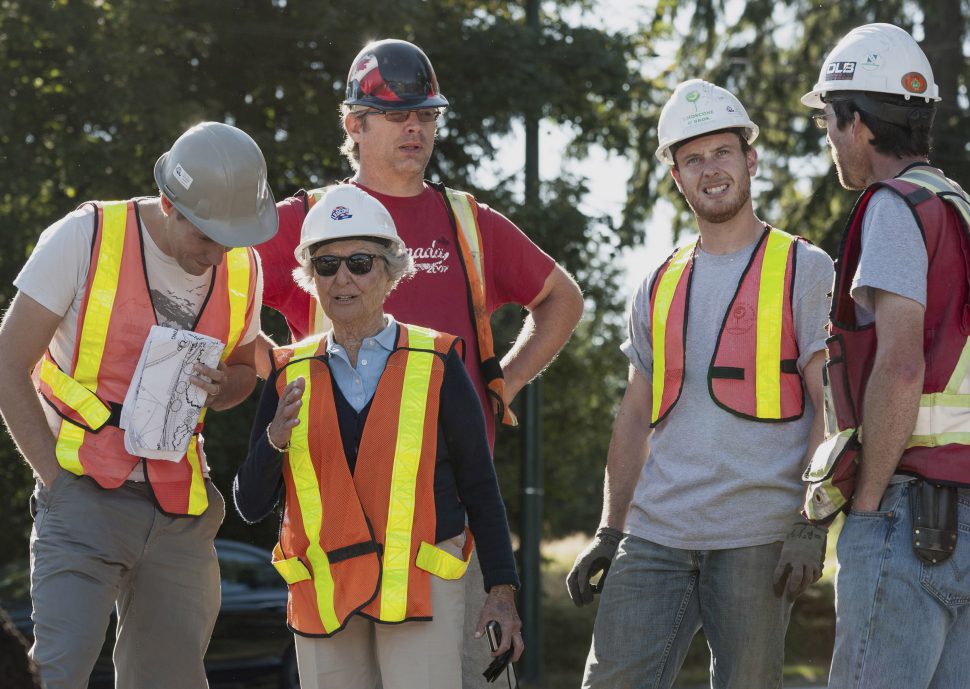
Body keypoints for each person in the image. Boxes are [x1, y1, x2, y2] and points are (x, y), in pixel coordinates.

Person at [255, 38, 583, 684]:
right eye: (399, 115)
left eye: (426, 115)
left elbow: (561, 299)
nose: (416, 128)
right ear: (354, 123)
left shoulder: (467, 222)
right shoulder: (307, 221)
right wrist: (257, 369)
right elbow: (225, 292)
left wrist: (504, 384)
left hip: (449, 529)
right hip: (338, 530)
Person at [568, 80, 834, 689]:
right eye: (693, 159)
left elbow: (832, 406)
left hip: (758, 538)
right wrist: (611, 530)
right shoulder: (656, 282)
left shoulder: (804, 267)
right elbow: (634, 416)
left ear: (751, 160)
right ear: (677, 177)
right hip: (655, 534)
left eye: (721, 152)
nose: (710, 170)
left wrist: (810, 522)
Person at [0, 121, 277, 689]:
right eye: (206, 237)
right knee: (55, 677)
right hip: (81, 496)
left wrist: (230, 387)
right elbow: (7, 364)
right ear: (170, 203)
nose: (217, 254)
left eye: (229, 238)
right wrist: (55, 479)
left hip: (182, 510)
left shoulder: (243, 266)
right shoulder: (86, 235)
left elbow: (247, 368)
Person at [801, 23, 970, 688]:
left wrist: (865, 506)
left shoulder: (897, 208)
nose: (831, 140)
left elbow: (901, 365)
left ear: (860, 124)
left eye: (831, 124)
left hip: (906, 515)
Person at [234, 183, 523, 689]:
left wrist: (502, 590)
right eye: (326, 265)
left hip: (418, 593)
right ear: (311, 278)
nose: (343, 278)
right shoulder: (287, 371)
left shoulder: (439, 361)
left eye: (360, 263)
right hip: (325, 601)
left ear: (390, 272)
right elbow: (250, 505)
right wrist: (274, 441)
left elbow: (479, 483)